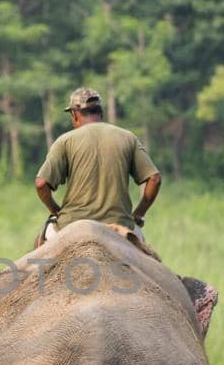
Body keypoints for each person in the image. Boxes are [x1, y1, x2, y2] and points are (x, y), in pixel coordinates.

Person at [33, 87, 161, 248]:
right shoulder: (128, 138)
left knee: (40, 249)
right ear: (100, 113)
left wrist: (55, 210)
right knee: (148, 260)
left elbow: (41, 184)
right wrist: (139, 213)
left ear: (75, 115)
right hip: (121, 225)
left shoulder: (65, 141)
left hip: (71, 224)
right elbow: (154, 179)